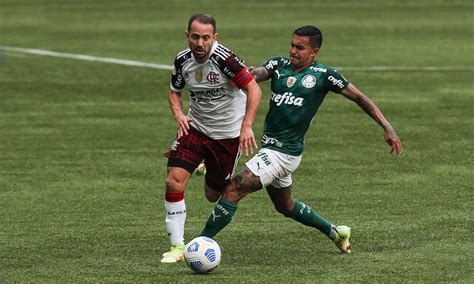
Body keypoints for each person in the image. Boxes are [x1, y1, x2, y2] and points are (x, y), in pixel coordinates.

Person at [199, 25, 403, 254]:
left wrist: (387, 126)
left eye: (300, 47)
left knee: (234, 189)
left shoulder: (324, 76)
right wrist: (244, 75)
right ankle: (336, 232)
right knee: (286, 206)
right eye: (292, 45)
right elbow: (257, 75)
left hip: (284, 153)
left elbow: (359, 97)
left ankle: (197, 244)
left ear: (314, 52)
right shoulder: (279, 65)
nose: (293, 51)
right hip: (270, 149)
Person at [161, 13, 261, 263]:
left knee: (211, 195)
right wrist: (179, 115)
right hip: (194, 129)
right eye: (195, 37)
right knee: (173, 181)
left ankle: (204, 166)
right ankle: (177, 247)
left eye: (206, 38)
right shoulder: (182, 60)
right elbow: (174, 92)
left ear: (214, 38)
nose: (200, 43)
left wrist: (247, 126)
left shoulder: (224, 59)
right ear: (187, 36)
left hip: (226, 137)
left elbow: (254, 88)